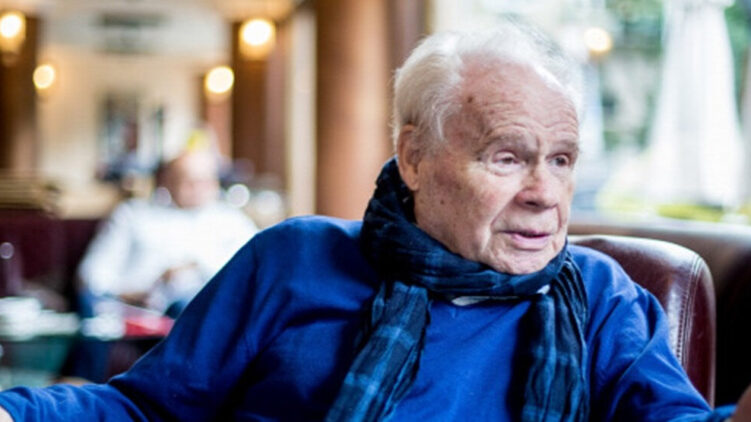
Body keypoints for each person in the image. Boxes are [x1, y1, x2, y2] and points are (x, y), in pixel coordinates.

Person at [0, 22, 749, 421]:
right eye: (506, 157)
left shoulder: (601, 299)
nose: (545, 194)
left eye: (561, 160)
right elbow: (147, 408)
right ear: (414, 157)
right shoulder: (292, 259)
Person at [77, 141, 258, 318]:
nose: (198, 189)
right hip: (137, 311)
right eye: (189, 182)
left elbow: (256, 272)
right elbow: (92, 276)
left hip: (210, 311)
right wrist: (136, 291)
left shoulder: (232, 221)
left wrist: (197, 266)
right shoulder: (133, 215)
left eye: (206, 181)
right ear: (167, 182)